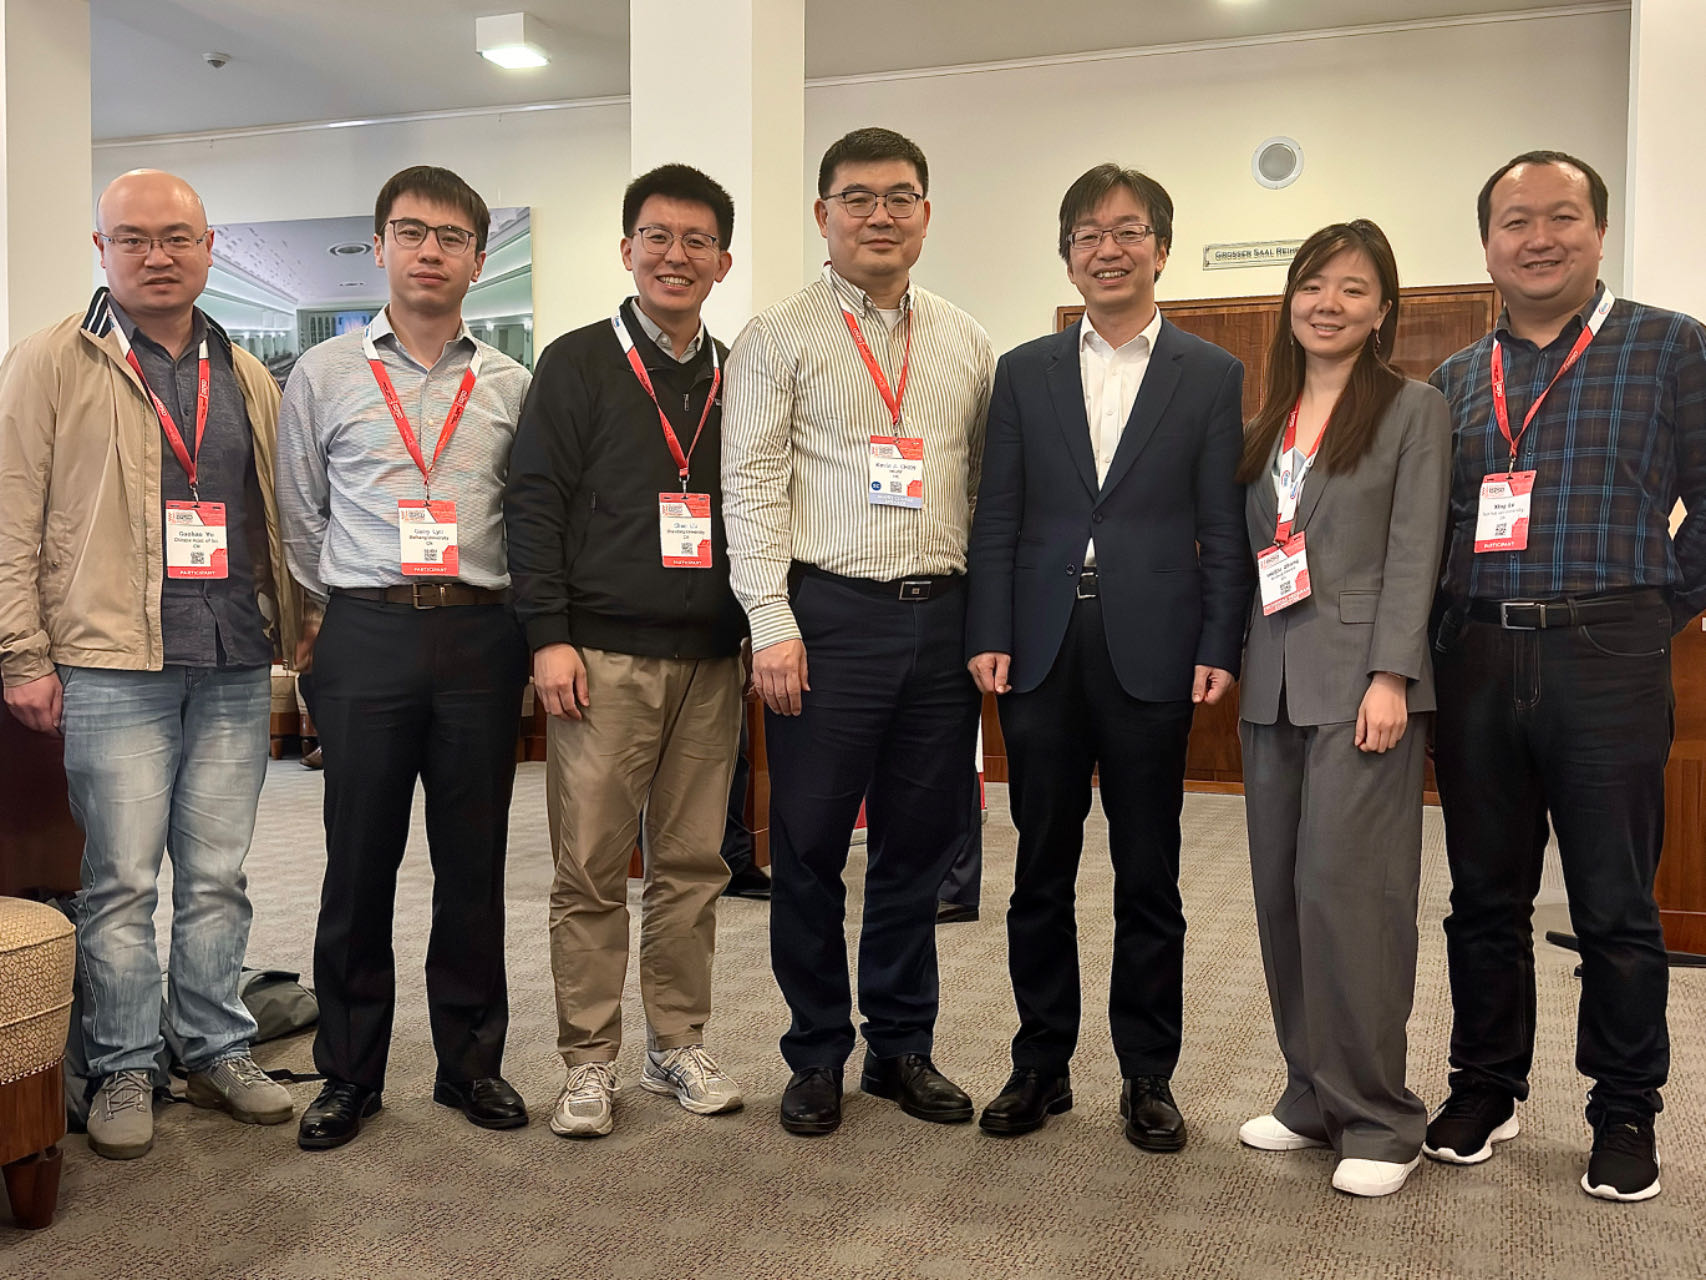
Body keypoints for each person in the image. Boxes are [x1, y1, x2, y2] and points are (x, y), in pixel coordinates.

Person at [1424, 150, 1706, 1203]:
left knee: (1614, 904)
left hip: (1607, 652)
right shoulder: (1456, 378)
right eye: (1514, 221)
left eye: (1560, 217)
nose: (1537, 238)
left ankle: (1623, 1108)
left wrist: (1655, 607)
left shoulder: (1670, 346)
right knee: (1481, 896)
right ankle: (1483, 1086)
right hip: (1478, 656)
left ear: (1598, 231)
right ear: (1486, 242)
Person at [0, 169, 299, 1159]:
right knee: (121, 879)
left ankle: (215, 1046)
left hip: (231, 655)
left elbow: (274, 514)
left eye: (177, 237)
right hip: (110, 661)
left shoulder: (246, 372)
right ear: (102, 249)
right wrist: (21, 655)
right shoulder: (50, 361)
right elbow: (9, 517)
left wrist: (296, 620)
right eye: (133, 238)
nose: (157, 255)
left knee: (217, 874)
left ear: (210, 247)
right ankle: (124, 1061)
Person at [965, 163, 1251, 1148]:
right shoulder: (1024, 371)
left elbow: (1223, 524)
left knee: (1148, 873)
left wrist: (1219, 639)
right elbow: (996, 514)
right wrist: (987, 629)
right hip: (1040, 647)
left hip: (1154, 647)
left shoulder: (1210, 374)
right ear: (1067, 255)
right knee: (1038, 868)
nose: (1107, 248)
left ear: (1160, 249)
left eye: (1128, 231)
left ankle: (1146, 1073)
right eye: (1087, 233)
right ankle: (1039, 1063)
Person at [723, 126, 995, 1136]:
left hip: (942, 622)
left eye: (899, 196)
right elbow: (750, 485)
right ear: (821, 214)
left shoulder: (965, 341)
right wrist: (770, 622)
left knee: (917, 848)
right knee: (807, 847)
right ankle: (815, 1052)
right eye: (857, 198)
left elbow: (987, 492)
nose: (879, 215)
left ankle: (900, 1046)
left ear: (925, 212)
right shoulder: (777, 337)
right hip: (826, 621)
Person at [277, 165, 533, 1150]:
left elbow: (524, 516)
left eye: (452, 236)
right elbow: (301, 510)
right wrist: (348, 596)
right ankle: (349, 1072)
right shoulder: (322, 373)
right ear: (379, 245)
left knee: (473, 861)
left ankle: (471, 1064)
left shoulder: (511, 382)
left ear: (479, 258)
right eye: (411, 232)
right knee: (358, 861)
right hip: (367, 631)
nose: (431, 251)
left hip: (479, 633)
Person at [504, 163, 748, 1138]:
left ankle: (675, 1041)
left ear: (721, 260)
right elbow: (533, 505)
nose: (675, 255)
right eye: (657, 236)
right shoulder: (576, 362)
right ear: (626, 249)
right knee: (592, 868)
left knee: (692, 864)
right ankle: (587, 1060)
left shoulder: (737, 369)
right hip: (600, 658)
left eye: (697, 240)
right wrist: (548, 636)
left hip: (712, 658)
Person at [1232, 220, 1452, 1198]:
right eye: (1313, 284)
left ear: (1382, 311)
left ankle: (1378, 1116)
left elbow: (1414, 550)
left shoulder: (1412, 409)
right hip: (1273, 682)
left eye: (1352, 289)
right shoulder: (1269, 419)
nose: (1328, 303)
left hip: (1364, 685)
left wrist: (1391, 676)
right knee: (1282, 895)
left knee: (1351, 898)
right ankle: (1311, 1093)